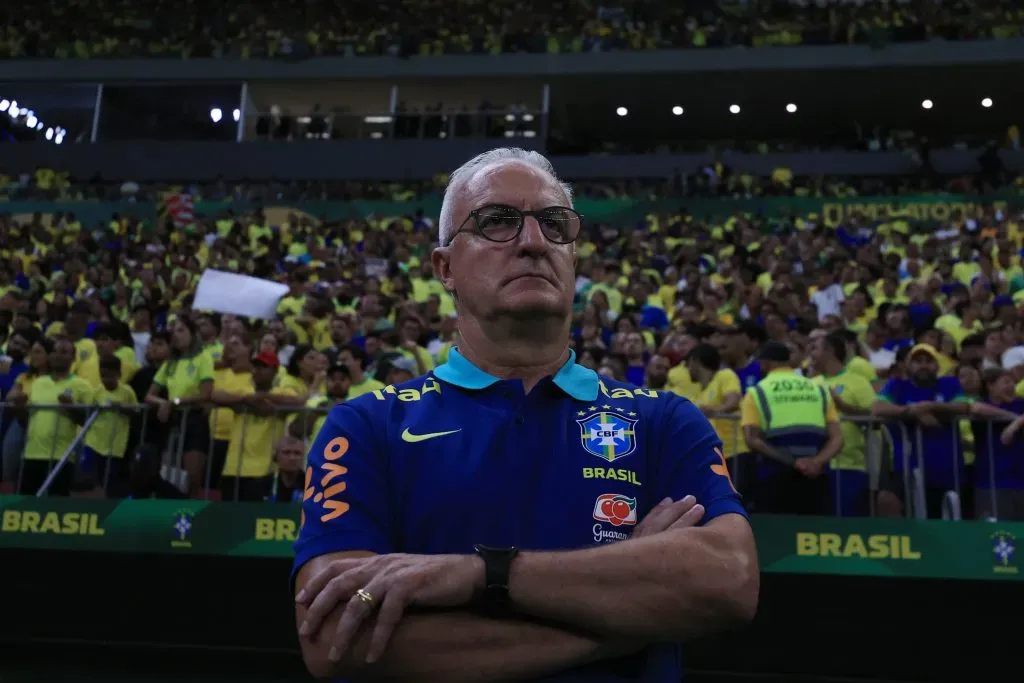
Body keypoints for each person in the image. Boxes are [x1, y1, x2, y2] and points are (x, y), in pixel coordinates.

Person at [292, 148, 757, 682]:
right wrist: (629, 615)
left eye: (555, 224)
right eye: (497, 221)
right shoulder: (365, 426)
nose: (534, 242)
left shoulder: (665, 421)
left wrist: (480, 575)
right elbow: (334, 636)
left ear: (573, 258)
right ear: (445, 268)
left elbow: (730, 580)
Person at [740, 340, 843, 515]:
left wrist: (793, 462)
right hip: (816, 476)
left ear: (764, 363)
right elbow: (837, 437)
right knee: (816, 529)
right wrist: (815, 462)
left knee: (777, 530)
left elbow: (752, 439)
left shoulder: (756, 392)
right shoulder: (819, 389)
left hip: (775, 476)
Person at [809, 331, 878, 516]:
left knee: (847, 521)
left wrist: (842, 406)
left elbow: (874, 417)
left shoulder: (858, 382)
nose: (810, 354)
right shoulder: (811, 384)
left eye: (815, 348)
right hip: (814, 464)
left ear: (830, 351)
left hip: (849, 465)